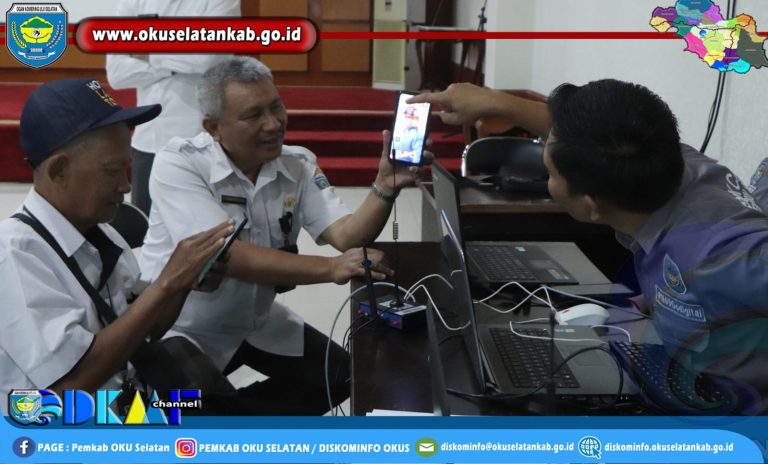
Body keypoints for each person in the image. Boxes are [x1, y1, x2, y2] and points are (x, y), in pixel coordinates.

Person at [410, 80, 768, 414]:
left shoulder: (726, 258)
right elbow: (590, 140)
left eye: (551, 174)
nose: (547, 178)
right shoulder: (665, 159)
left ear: (591, 203)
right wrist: (497, 103)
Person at [139, 57, 425, 415]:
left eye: (276, 107)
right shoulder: (180, 164)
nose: (273, 124)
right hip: (180, 325)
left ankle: (240, 428)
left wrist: (384, 187)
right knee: (202, 408)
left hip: (252, 320)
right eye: (253, 115)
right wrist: (331, 267)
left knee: (340, 375)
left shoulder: (297, 164)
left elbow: (347, 235)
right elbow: (227, 254)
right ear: (213, 127)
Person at [0, 79, 236, 415]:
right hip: (69, 425)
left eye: (127, 168)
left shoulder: (102, 234)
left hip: (128, 405)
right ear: (59, 170)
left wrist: (184, 283)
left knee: (243, 409)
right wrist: (166, 283)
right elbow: (70, 389)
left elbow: (145, 330)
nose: (125, 185)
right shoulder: (14, 256)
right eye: (113, 171)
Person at [106, 0, 241, 215]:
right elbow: (117, 73)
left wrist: (148, 53)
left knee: (207, 226)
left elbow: (209, 57)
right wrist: (176, 62)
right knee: (146, 227)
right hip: (148, 143)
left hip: (202, 141)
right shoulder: (133, 2)